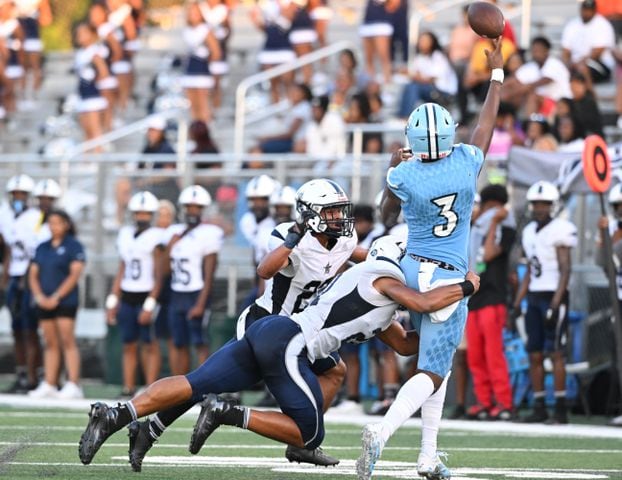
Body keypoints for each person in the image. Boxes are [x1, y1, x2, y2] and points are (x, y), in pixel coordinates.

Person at [78, 236, 480, 470]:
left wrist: (444, 329)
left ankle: (117, 414)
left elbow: (408, 344)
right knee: (310, 430)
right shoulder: (385, 278)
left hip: (277, 334)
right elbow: (424, 301)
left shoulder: (381, 297)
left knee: (195, 382)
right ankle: (229, 413)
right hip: (290, 342)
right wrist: (466, 288)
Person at [109, 178, 364, 470]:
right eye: (331, 212)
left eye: (339, 211)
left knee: (335, 371)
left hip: (300, 331)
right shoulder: (287, 236)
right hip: (267, 325)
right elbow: (265, 269)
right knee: (206, 382)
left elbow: (349, 253)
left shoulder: (345, 238)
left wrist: (392, 260)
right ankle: (145, 425)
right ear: (310, 214)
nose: (339, 218)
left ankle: (300, 444)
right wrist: (294, 238)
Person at [357, 37, 504, 480]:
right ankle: (381, 433)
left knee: (434, 362)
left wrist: (391, 170)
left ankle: (427, 455)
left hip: (411, 270)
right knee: (434, 372)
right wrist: (496, 74)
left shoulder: (404, 173)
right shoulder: (464, 163)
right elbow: (485, 126)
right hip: (446, 280)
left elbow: (384, 212)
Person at [512, 181, 577, 424]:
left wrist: (556, 303)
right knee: (534, 353)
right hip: (535, 296)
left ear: (553, 205)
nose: (540, 208)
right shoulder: (529, 231)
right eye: (536, 203)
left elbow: (565, 269)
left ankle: (560, 409)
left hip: (553, 295)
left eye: (544, 204)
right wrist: (517, 303)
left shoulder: (561, 229)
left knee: (556, 353)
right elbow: (530, 270)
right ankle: (539, 406)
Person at [106, 191, 163, 398]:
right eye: (138, 213)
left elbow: (159, 274)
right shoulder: (125, 234)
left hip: (146, 293)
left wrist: (150, 303)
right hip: (128, 293)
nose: (142, 217)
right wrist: (113, 299)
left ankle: (151, 389)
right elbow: (122, 268)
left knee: (149, 343)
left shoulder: (157, 236)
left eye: (146, 213)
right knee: (128, 342)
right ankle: (128, 387)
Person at [465, 184, 515, 421]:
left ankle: (504, 403)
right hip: (475, 298)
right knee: (476, 356)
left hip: (494, 298)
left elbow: (490, 253)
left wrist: (494, 221)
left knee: (494, 354)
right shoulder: (475, 227)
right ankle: (484, 402)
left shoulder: (506, 227)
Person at [161, 185, 223, 375]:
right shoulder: (174, 232)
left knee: (200, 342)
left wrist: (201, 303)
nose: (192, 211)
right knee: (178, 342)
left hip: (197, 292)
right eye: (189, 207)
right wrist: (169, 247)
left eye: (196, 207)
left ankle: (203, 386)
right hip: (177, 292)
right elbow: (163, 270)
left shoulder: (209, 232)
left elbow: (210, 272)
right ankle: (179, 386)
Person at [28, 210, 85, 399]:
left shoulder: (73, 245)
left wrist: (56, 297)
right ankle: (50, 382)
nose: (54, 227)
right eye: (50, 223)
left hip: (65, 301)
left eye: (58, 223)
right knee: (50, 342)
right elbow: (33, 273)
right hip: (44, 301)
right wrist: (39, 296)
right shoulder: (42, 247)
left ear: (66, 224)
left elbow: (75, 273)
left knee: (67, 340)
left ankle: (73, 383)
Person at [0, 174, 41, 393]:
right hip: (13, 276)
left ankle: (34, 376)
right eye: (15, 194)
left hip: (29, 277)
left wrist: (28, 279)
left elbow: (36, 251)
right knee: (16, 328)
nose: (18, 198)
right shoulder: (5, 214)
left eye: (22, 194)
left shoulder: (36, 216)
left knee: (29, 329)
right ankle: (22, 373)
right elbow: (6, 248)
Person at [502, 36, 571, 118]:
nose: (536, 53)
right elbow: (514, 80)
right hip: (542, 102)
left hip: (559, 103)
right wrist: (501, 89)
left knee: (531, 96)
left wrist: (511, 94)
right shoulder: (531, 66)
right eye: (534, 50)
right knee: (514, 91)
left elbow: (543, 81)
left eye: (539, 50)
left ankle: (530, 124)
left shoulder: (554, 64)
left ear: (547, 50)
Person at [397, 31, 457, 119]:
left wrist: (410, 74)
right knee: (410, 86)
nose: (422, 43)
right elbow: (416, 76)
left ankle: (405, 116)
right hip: (429, 92)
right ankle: (403, 116)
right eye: (421, 41)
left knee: (413, 87)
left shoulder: (438, 57)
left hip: (443, 93)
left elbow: (430, 80)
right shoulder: (419, 58)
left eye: (426, 41)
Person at [181, 1, 222, 123]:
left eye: (196, 12)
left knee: (203, 103)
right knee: (193, 104)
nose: (193, 15)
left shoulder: (205, 30)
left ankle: (205, 131)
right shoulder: (187, 30)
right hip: (190, 69)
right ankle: (196, 130)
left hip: (202, 69)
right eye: (191, 12)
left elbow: (216, 53)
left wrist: (207, 63)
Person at [561, 0, 616, 86]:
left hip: (599, 65)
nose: (586, 12)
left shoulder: (602, 24)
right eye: (584, 9)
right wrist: (568, 63)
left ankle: (590, 95)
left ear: (594, 11)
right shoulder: (572, 24)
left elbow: (597, 53)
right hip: (575, 64)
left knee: (583, 69)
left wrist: (578, 63)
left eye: (589, 10)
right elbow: (565, 51)